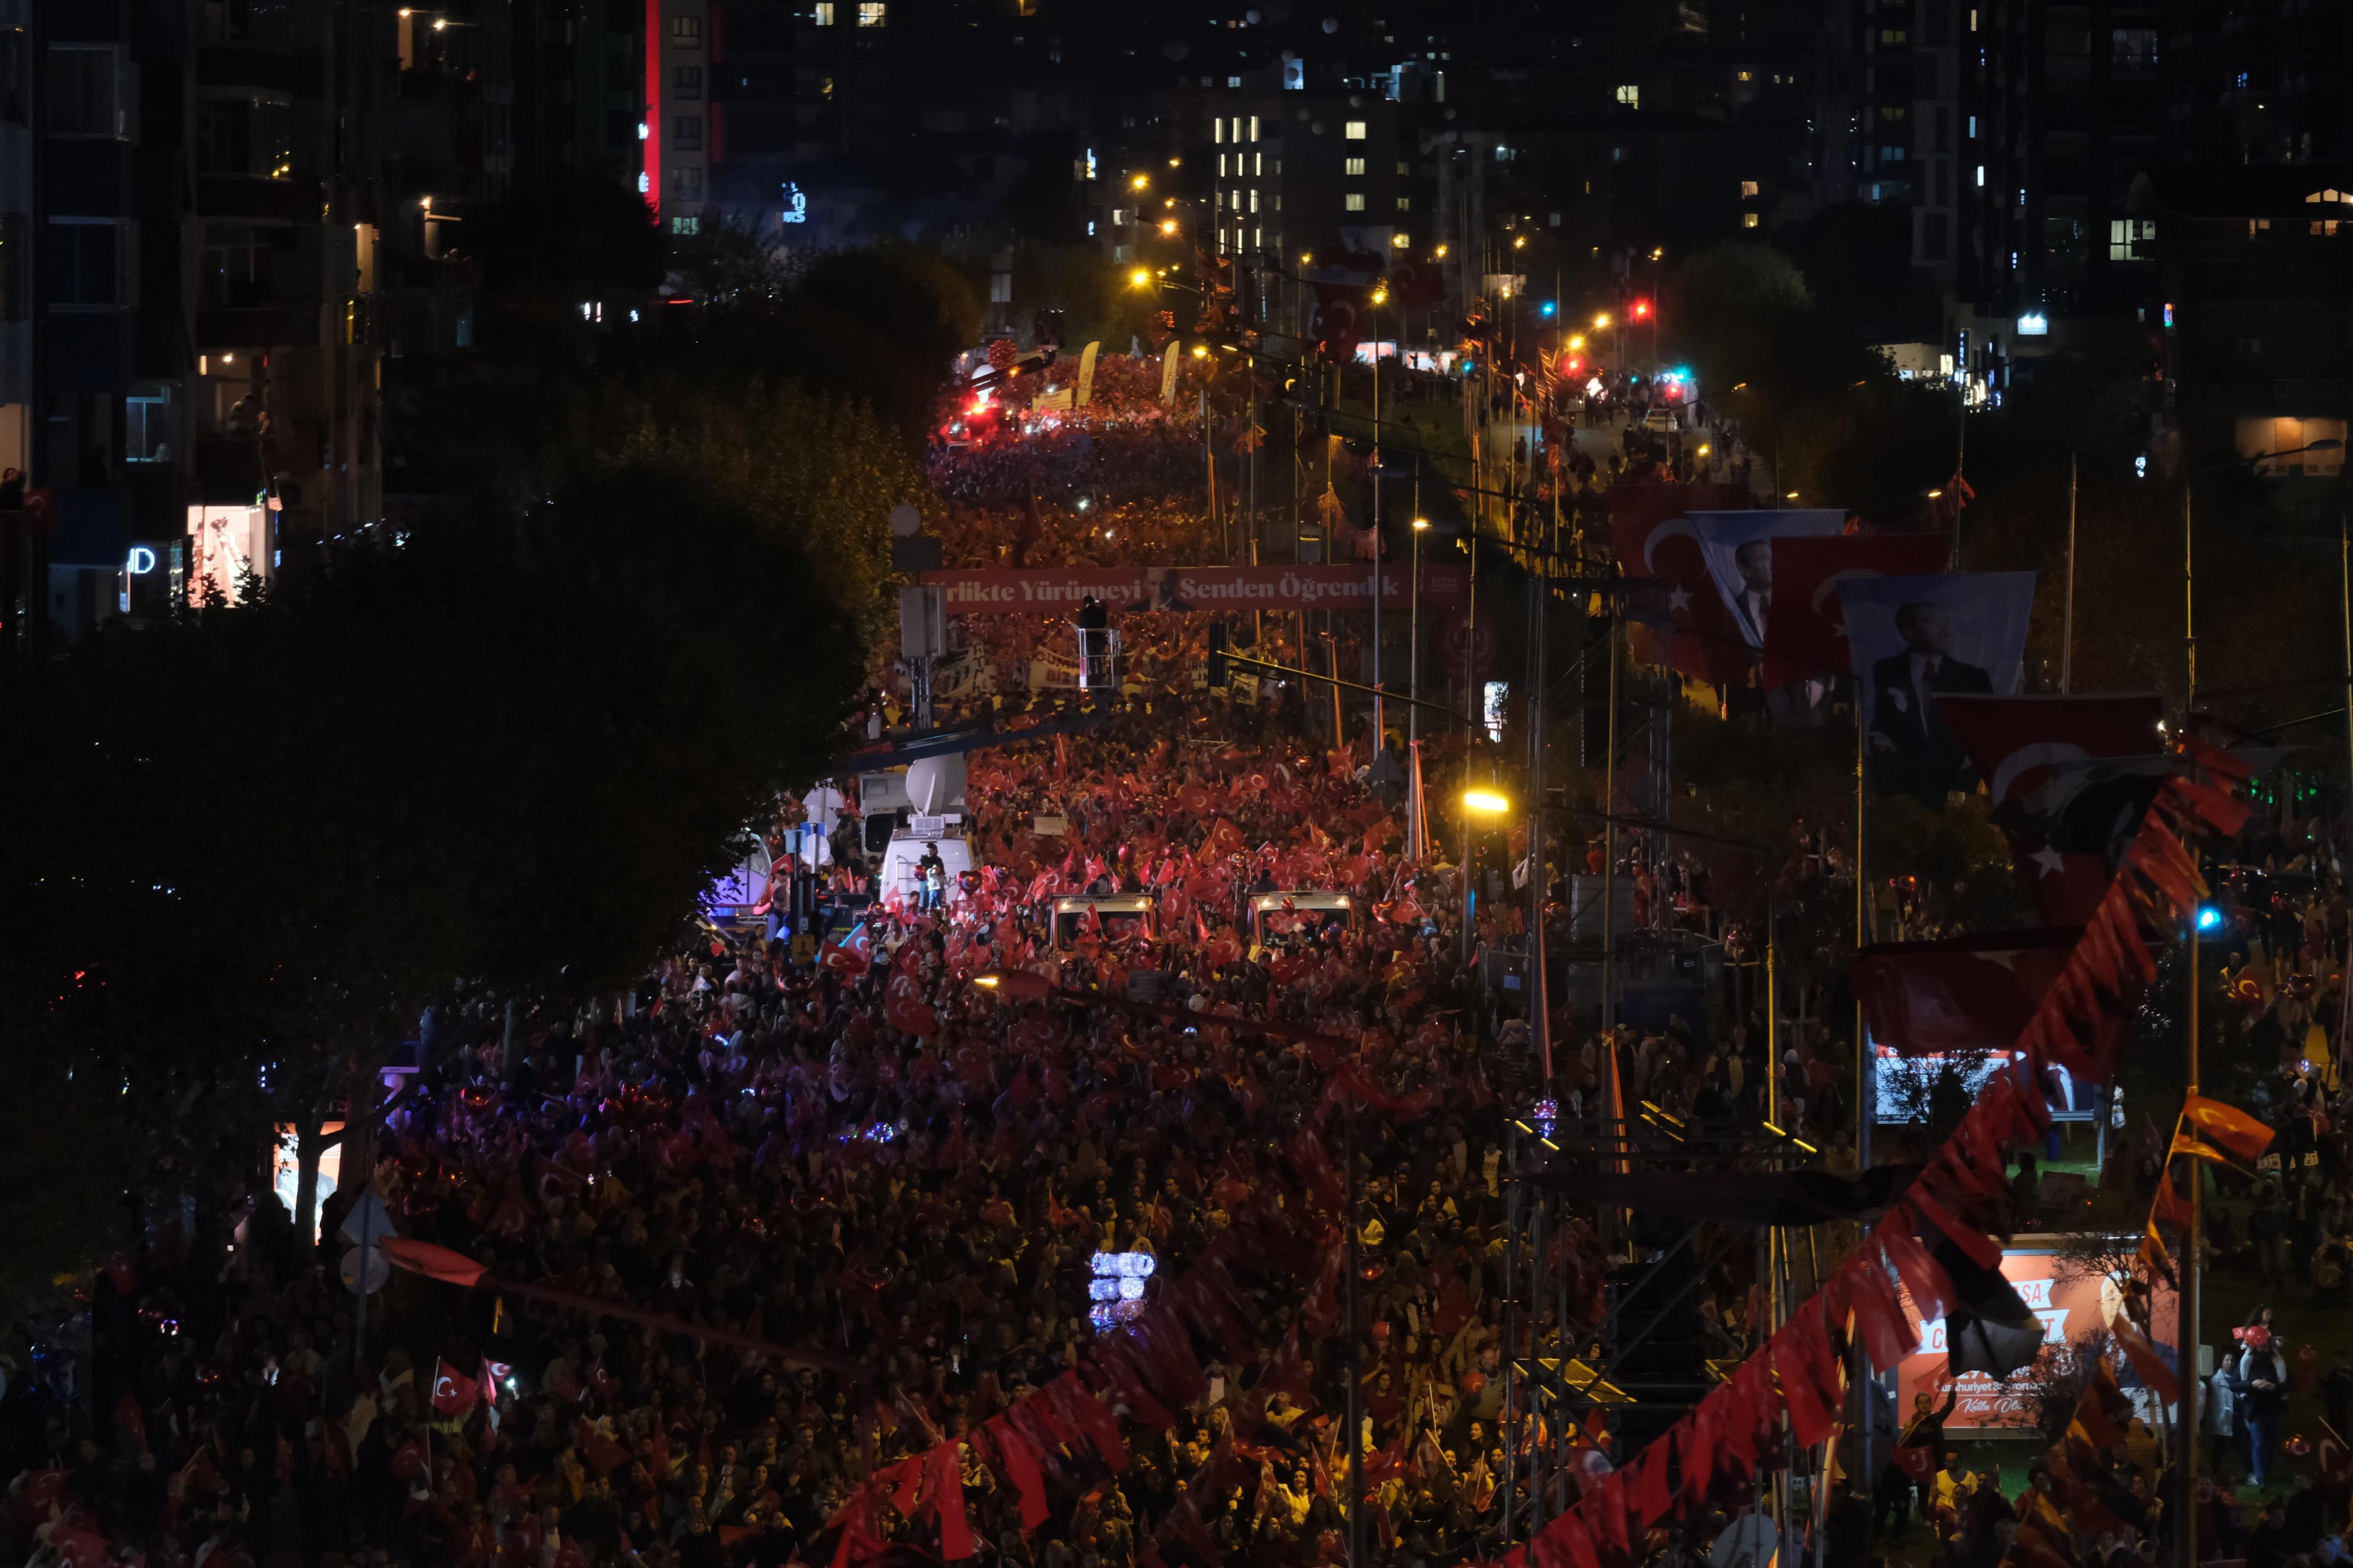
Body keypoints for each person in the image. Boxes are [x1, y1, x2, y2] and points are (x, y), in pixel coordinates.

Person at [1865, 600, 1993, 802]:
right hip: (1905, 788)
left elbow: (1989, 727)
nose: (1946, 630)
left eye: (1947, 622)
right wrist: (1879, 738)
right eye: (1934, 622)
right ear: (1908, 632)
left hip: (1960, 785)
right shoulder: (1886, 670)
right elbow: (1882, 718)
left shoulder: (1973, 678)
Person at [2240, 1324, 2290, 1489]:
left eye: (2266, 1345)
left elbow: (2291, 1384)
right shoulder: (2248, 1362)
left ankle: (2265, 1475)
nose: (2263, 1349)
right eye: (2260, 1346)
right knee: (2258, 1443)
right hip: (2255, 1411)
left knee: (2269, 1445)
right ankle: (2260, 1478)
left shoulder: (2278, 1362)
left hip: (2273, 1410)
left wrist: (2275, 1387)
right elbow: (2236, 1384)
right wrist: (2252, 1384)